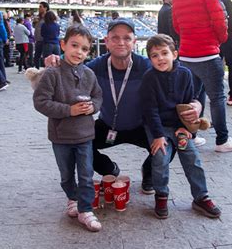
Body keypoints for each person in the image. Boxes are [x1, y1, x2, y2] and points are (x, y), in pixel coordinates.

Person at [46, 18, 203, 194]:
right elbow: (73, 68)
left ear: (134, 42)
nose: (121, 42)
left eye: (127, 38)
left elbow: (180, 78)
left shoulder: (147, 65)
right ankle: (109, 169)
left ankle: (149, 173)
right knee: (81, 144)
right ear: (106, 41)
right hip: (109, 125)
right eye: (115, 38)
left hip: (141, 126)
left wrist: (196, 105)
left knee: (167, 145)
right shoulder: (96, 66)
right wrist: (57, 59)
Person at [140, 34, 221, 219]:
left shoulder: (185, 74)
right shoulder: (149, 78)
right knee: (160, 157)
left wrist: (187, 128)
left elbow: (187, 104)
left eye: (164, 53)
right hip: (157, 127)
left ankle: (201, 196)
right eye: (154, 55)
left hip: (179, 127)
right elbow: (149, 110)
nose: (160, 58)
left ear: (174, 54)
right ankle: (161, 194)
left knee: (191, 157)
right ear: (150, 59)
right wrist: (159, 135)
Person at [172, 0, 232, 152]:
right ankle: (222, 140)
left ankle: (192, 134)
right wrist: (219, 40)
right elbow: (220, 19)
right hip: (207, 53)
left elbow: (176, 25)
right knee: (217, 97)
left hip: (186, 53)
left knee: (194, 95)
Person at [33, 25, 103, 232]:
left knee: (86, 174)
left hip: (85, 135)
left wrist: (93, 107)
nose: (78, 52)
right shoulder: (52, 74)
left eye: (84, 49)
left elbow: (98, 96)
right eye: (74, 45)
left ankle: (85, 209)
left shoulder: (89, 74)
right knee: (66, 174)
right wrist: (69, 110)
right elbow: (40, 102)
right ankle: (72, 197)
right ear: (63, 45)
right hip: (60, 136)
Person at [33, 1, 49, 69]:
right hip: (38, 40)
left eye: (40, 7)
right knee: (36, 57)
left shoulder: (48, 17)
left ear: (45, 8)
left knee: (45, 57)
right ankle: (37, 71)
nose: (39, 8)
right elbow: (34, 27)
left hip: (45, 40)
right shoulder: (38, 18)